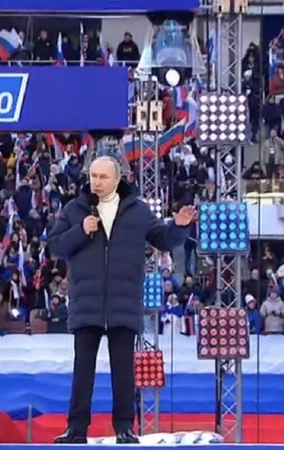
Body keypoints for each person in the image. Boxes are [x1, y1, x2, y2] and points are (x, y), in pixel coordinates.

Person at [48, 156, 196, 444]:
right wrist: (81, 230)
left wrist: (179, 226)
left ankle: (125, 428)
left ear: (117, 179)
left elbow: (163, 240)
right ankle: (76, 428)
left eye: (103, 177)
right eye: (93, 176)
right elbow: (56, 245)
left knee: (124, 371)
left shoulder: (137, 210)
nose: (97, 182)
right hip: (87, 303)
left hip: (124, 303)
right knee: (82, 371)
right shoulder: (75, 209)